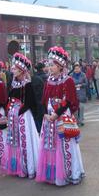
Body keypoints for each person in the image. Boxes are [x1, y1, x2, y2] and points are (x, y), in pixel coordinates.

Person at [36, 46, 85, 186]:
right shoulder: (48, 80)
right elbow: (44, 99)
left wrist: (56, 114)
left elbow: (69, 101)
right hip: (49, 118)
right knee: (50, 146)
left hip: (62, 117)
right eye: (48, 64)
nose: (49, 67)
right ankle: (52, 174)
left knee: (64, 146)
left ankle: (68, 174)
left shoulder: (68, 80)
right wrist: (45, 113)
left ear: (60, 65)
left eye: (52, 65)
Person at [0, 52, 39, 178]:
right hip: (14, 117)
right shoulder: (13, 83)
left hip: (24, 117)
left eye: (15, 68)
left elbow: (30, 102)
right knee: (14, 141)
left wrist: (18, 112)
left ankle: (28, 167)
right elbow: (10, 99)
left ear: (22, 70)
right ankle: (17, 166)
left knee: (25, 141)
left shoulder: (27, 84)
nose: (13, 70)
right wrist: (10, 110)